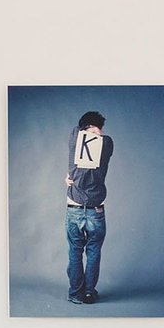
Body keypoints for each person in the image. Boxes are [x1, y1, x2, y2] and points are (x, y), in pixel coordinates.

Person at [64, 110, 112, 306]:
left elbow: (77, 130)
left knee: (75, 252)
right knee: (93, 252)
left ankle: (76, 294)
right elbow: (104, 138)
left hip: (74, 207)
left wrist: (88, 129)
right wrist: (97, 132)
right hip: (96, 210)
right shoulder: (107, 144)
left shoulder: (75, 140)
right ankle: (90, 292)